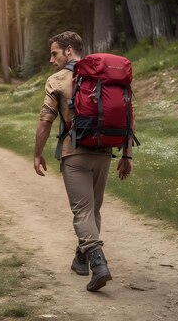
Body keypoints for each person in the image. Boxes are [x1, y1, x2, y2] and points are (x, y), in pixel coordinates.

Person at [33, 31, 134, 292]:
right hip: (104, 152)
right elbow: (129, 116)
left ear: (69, 51)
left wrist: (37, 153)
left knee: (82, 212)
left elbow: (46, 120)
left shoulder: (57, 80)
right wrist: (126, 155)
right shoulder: (106, 77)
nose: (51, 59)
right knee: (93, 210)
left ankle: (98, 264)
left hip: (74, 153)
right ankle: (81, 259)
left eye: (54, 53)